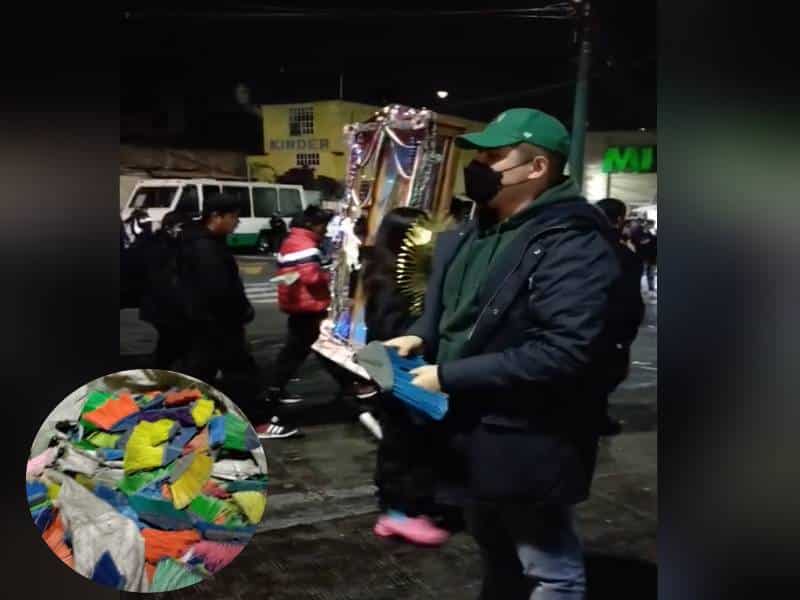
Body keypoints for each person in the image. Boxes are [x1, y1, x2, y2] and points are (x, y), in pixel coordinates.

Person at [384, 108, 622, 599]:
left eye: (494, 156)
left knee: (550, 569)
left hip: (529, 436)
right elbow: (450, 306)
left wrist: (447, 375)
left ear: (537, 168)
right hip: (471, 432)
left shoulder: (572, 241)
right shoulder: (478, 229)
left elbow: (564, 351)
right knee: (494, 546)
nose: (481, 166)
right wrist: (420, 335)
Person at [361, 207, 453, 546]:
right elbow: (390, 330)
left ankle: (398, 509)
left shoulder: (385, 272)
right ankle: (402, 511)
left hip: (387, 365)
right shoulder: (396, 282)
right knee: (408, 440)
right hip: (397, 367)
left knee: (400, 438)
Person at [172, 194, 298, 439]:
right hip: (217, 324)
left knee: (202, 371)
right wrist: (240, 313)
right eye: (233, 217)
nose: (236, 223)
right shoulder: (205, 247)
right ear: (216, 217)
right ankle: (255, 422)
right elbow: (219, 290)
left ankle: (182, 419)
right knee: (241, 374)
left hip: (205, 323)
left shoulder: (200, 241)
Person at [267, 206, 339, 404]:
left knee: (300, 349)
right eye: (322, 225)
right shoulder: (306, 245)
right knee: (324, 347)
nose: (324, 230)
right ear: (310, 225)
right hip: (308, 304)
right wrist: (329, 275)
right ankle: (351, 385)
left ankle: (275, 388)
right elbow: (312, 277)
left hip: (297, 303)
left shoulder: (292, 240)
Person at [594, 198, 646, 436]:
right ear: (619, 220)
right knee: (608, 375)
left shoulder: (577, 246)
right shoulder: (626, 256)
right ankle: (596, 417)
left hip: (576, 324)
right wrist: (629, 332)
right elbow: (630, 300)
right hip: (611, 328)